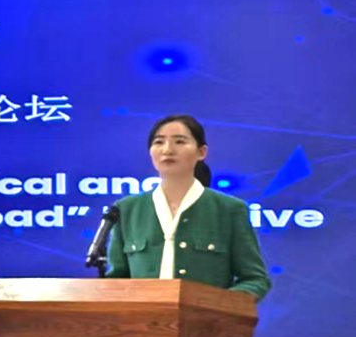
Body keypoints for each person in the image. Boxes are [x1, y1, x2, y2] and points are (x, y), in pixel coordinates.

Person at [106, 114, 271, 301]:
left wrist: (219, 304)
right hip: (143, 319)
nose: (167, 150)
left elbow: (255, 279)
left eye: (179, 142)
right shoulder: (127, 209)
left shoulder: (229, 209)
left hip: (206, 319)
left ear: (201, 152)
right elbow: (116, 280)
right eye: (159, 142)